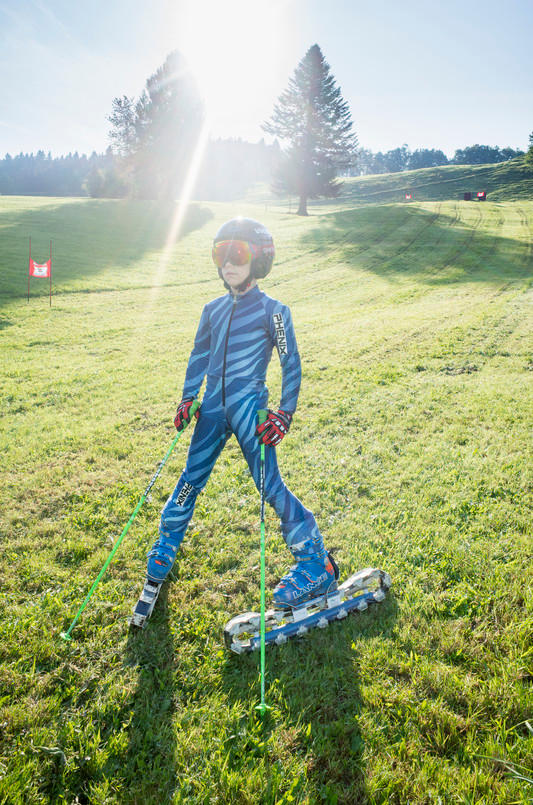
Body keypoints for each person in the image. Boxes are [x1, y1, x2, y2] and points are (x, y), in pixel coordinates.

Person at [145, 217, 338, 608]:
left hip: (251, 413)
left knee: (270, 487)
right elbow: (199, 355)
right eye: (221, 254)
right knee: (189, 480)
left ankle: (315, 563)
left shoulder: (275, 312)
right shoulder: (212, 310)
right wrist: (187, 398)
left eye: (238, 254)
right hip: (212, 412)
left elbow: (291, 363)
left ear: (259, 259)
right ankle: (166, 543)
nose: (228, 263)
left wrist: (284, 413)